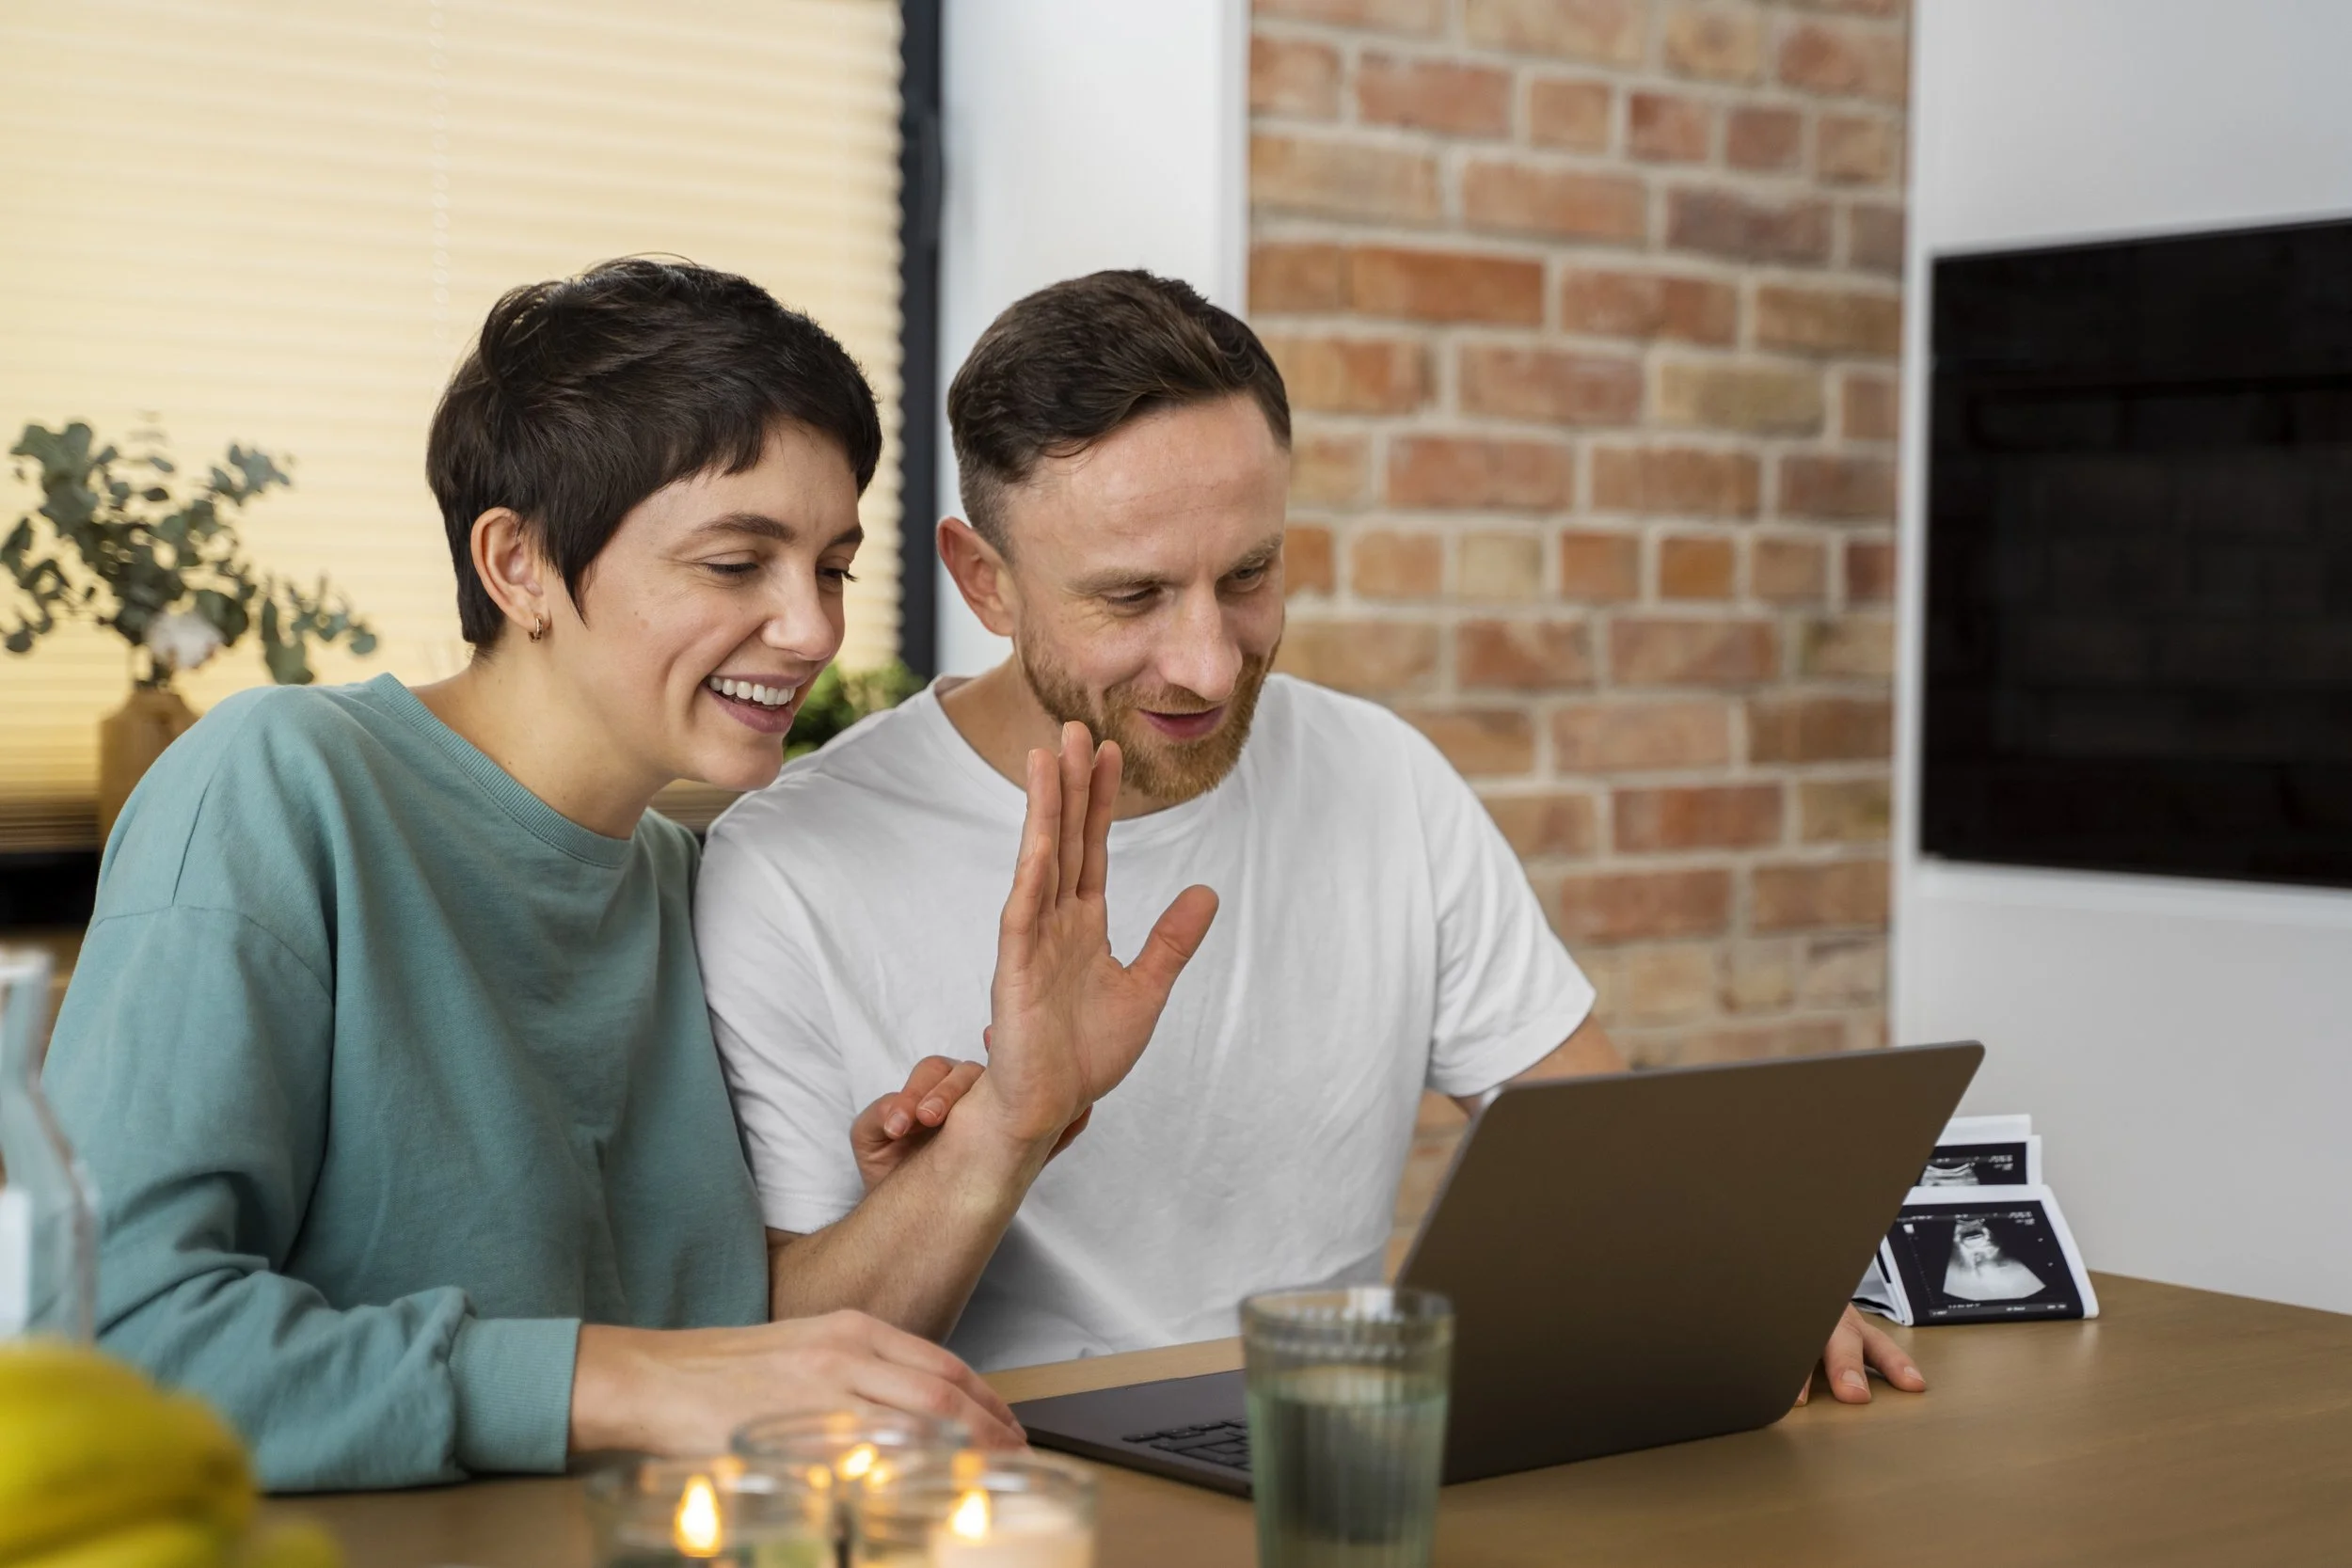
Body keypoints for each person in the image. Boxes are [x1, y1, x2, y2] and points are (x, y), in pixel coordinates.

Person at [41, 260, 1216, 1490]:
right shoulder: (280, 790)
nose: (814, 629)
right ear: (520, 565)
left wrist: (1004, 1128)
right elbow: (101, 1345)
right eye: (734, 563)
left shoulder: (682, 875)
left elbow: (734, 1356)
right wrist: (623, 1377)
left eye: (830, 566)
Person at [698, 269, 1926, 1410]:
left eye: (1247, 574)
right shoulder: (792, 866)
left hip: (1341, 1444)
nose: (1208, 661)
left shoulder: (1381, 777)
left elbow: (1592, 1144)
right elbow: (795, 1356)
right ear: (984, 581)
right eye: (1131, 596)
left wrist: (1736, 1271)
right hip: (1013, 1492)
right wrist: (1006, 1129)